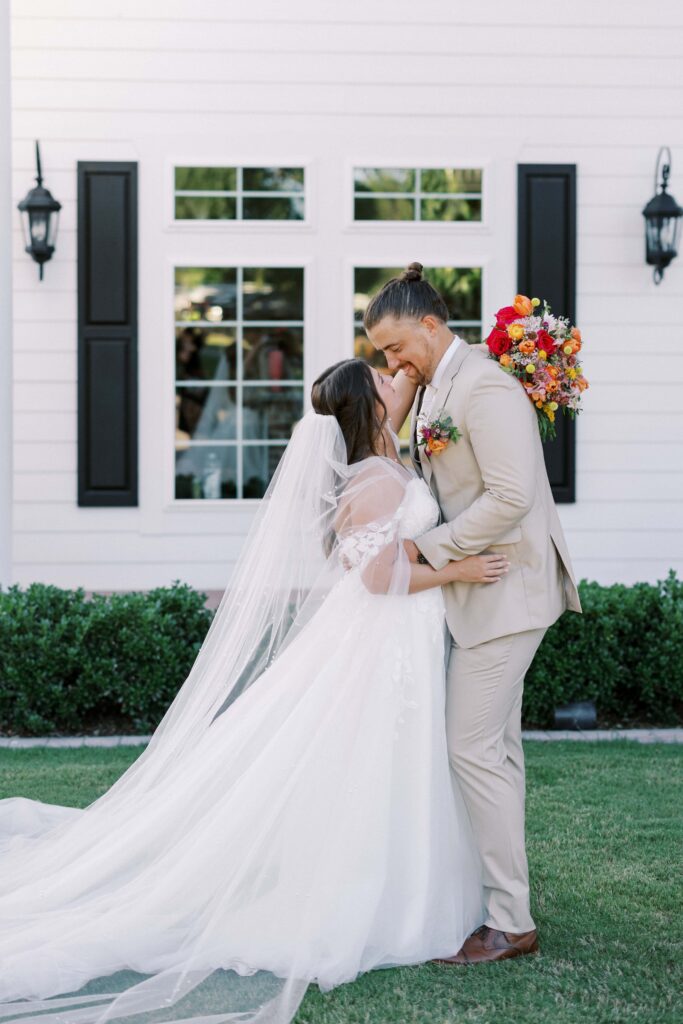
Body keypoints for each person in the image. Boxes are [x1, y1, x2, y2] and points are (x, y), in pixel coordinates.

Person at [0, 359, 509, 1024]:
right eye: (382, 381)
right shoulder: (379, 480)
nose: (395, 381)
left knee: (382, 760)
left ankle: (393, 884)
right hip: (383, 636)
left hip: (391, 637)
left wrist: (409, 377)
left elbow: (387, 545)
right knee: (376, 759)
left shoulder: (378, 466)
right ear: (367, 408)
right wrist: (460, 570)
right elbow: (377, 578)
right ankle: (373, 896)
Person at [364, 262, 581, 965]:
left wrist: (426, 550)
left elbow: (512, 496)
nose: (391, 364)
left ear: (431, 325)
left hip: (507, 588)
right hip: (478, 591)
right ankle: (505, 905)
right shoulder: (433, 389)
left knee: (470, 747)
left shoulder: (483, 386)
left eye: (396, 348)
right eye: (380, 357)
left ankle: (508, 922)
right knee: (497, 751)